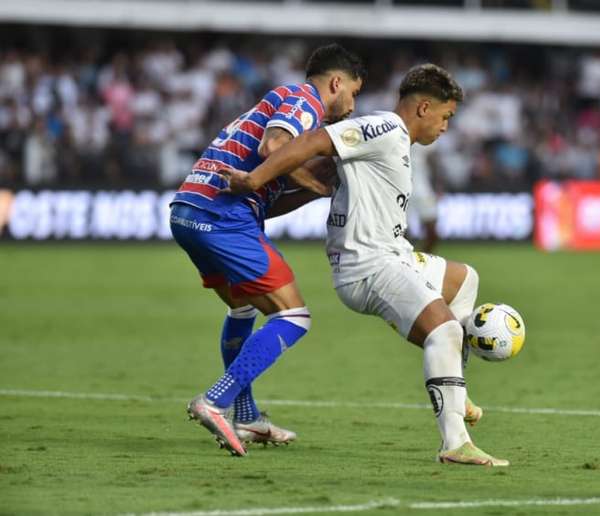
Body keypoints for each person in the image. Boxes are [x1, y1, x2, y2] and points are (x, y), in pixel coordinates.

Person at [221, 63, 507, 466]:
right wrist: (253, 183)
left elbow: (323, 179)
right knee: (444, 330)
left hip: (393, 253)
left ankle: (454, 386)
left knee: (463, 280)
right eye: (446, 116)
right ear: (424, 108)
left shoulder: (397, 142)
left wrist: (268, 205)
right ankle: (455, 441)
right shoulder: (386, 129)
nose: (446, 127)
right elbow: (316, 141)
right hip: (368, 266)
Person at [170, 44, 365, 457]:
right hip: (222, 215)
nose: (352, 106)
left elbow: (264, 193)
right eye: (354, 92)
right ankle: (215, 400)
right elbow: (273, 150)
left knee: (242, 308)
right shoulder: (303, 101)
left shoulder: (287, 105)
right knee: (293, 316)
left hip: (190, 210)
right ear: (336, 83)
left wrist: (316, 191)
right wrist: (314, 182)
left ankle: (247, 416)